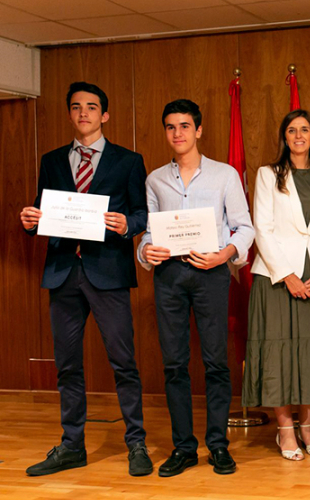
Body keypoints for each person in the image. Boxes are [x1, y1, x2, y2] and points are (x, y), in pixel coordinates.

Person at [20, 81, 152, 477]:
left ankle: (136, 443)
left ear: (104, 115)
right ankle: (72, 445)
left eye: (92, 107)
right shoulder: (52, 160)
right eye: (76, 107)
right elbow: (45, 210)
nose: (84, 113)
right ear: (70, 114)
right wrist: (30, 221)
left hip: (108, 272)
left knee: (123, 362)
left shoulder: (128, 161)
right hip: (63, 272)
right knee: (67, 366)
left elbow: (143, 214)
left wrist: (128, 224)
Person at [138, 99, 255, 477]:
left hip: (211, 275)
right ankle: (184, 447)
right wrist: (145, 251)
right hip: (169, 277)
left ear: (198, 130)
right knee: (174, 364)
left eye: (185, 126)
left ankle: (218, 445)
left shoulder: (225, 175)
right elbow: (149, 233)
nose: (178, 133)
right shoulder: (155, 179)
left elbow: (245, 227)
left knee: (216, 362)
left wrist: (224, 255)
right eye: (171, 127)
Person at [242, 109, 310, 461]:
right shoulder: (268, 175)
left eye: (305, 130)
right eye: (292, 130)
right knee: (280, 355)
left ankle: (307, 427)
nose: (298, 136)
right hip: (276, 278)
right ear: (284, 138)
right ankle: (285, 431)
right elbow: (262, 228)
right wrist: (287, 275)